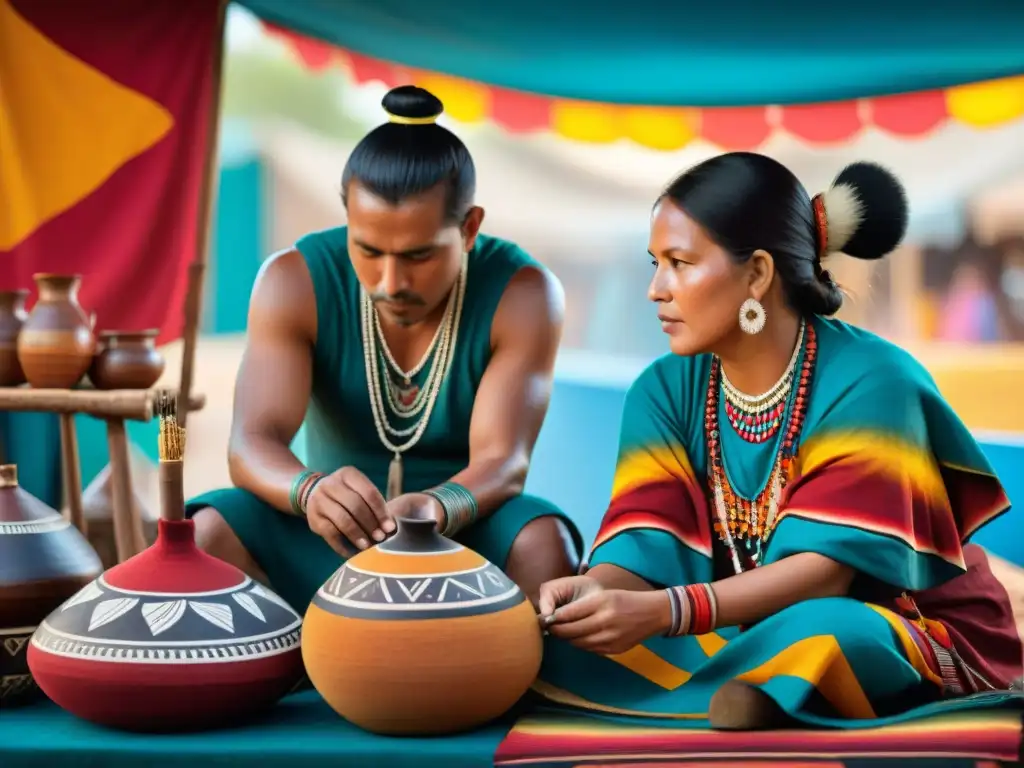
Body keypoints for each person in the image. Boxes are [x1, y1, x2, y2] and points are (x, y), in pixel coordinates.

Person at [533, 152, 1023, 730]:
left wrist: (660, 613)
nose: (655, 290)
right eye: (654, 263)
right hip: (725, 627)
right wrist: (592, 598)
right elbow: (644, 545)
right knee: (554, 646)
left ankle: (767, 686)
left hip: (891, 622)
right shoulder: (662, 389)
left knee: (834, 632)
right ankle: (770, 692)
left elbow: (825, 574)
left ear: (758, 274)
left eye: (679, 263)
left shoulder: (873, 379)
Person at [186, 85, 582, 614]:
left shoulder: (524, 292)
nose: (389, 282)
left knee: (543, 541)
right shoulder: (293, 280)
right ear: (347, 216)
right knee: (209, 530)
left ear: (469, 229)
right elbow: (251, 443)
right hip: (326, 536)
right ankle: (291, 664)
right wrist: (309, 491)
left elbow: (503, 461)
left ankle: (490, 682)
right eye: (368, 250)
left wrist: (432, 510)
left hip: (458, 544)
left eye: (418, 255)